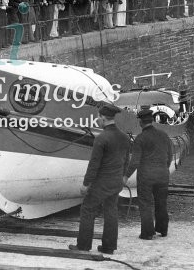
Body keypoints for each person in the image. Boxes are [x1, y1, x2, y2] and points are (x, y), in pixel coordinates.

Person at [69, 103, 130, 254]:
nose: (97, 120)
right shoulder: (124, 137)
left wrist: (86, 183)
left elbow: (94, 164)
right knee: (111, 212)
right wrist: (123, 176)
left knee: (87, 210)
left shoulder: (101, 138)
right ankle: (109, 247)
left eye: (98, 117)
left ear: (103, 118)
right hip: (116, 182)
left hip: (101, 183)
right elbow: (126, 160)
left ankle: (83, 245)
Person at [124, 108, 173, 240]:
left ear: (140, 122)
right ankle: (163, 230)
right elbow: (170, 156)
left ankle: (147, 233)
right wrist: (163, 169)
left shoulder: (140, 139)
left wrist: (125, 176)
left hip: (146, 177)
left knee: (145, 204)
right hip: (162, 175)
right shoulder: (164, 135)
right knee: (161, 203)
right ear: (151, 120)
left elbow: (134, 162)